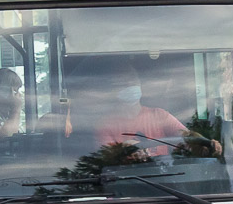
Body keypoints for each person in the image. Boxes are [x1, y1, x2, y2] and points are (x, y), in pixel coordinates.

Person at [93, 65, 221, 158]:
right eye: (122, 83)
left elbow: (186, 137)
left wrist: (205, 145)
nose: (129, 85)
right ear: (113, 90)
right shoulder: (105, 126)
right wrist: (123, 149)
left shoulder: (159, 116)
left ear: (139, 84)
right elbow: (108, 158)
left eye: (132, 81)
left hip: (165, 181)